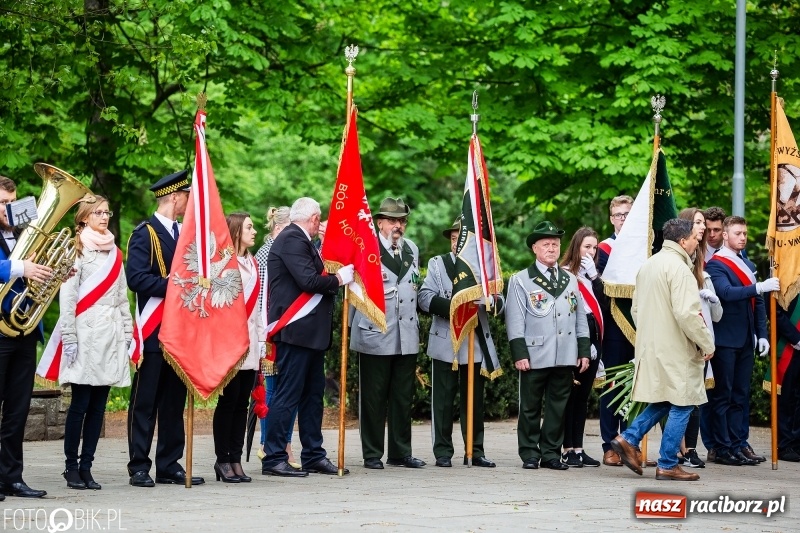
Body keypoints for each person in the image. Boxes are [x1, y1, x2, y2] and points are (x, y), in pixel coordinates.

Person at [611, 218, 716, 481]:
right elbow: (687, 314)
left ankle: (629, 438)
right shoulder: (680, 269)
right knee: (683, 404)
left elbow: (636, 309)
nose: (697, 241)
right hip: (678, 348)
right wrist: (706, 342)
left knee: (664, 400)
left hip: (652, 346)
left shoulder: (648, 265)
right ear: (683, 241)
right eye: (694, 237)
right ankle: (668, 463)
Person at [261, 197, 353, 477]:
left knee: (313, 397)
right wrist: (339, 279)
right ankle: (274, 457)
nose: (320, 224)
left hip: (309, 335)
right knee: (287, 395)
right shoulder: (292, 239)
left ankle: (313, 454)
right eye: (319, 219)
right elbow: (309, 281)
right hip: (296, 332)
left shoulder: (301, 241)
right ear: (313, 219)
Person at [126, 170, 204, 487]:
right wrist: (173, 285)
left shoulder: (184, 234)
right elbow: (137, 279)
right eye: (185, 196)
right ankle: (139, 466)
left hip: (180, 332)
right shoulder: (146, 233)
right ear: (174, 197)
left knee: (173, 401)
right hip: (154, 330)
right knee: (146, 401)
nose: (189, 201)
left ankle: (169, 463)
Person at [418, 218, 504, 468]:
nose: (457, 243)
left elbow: (500, 301)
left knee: (475, 402)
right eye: (454, 238)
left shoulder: (485, 267)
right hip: (446, 340)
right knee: (443, 401)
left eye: (461, 238)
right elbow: (424, 298)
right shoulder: (438, 264)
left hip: (474, 341)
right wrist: (456, 308)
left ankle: (475, 451)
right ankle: (442, 451)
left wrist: (487, 302)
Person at [59, 196, 132, 490]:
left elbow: (122, 297)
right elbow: (68, 298)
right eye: (97, 213)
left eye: (106, 212)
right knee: (80, 404)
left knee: (99, 406)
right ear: (84, 217)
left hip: (111, 335)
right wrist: (69, 337)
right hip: (86, 334)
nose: (104, 217)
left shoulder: (114, 251)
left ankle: (87, 466)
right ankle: (71, 466)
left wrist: (127, 333)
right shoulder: (75, 249)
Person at [506, 221, 591, 470]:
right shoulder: (521, 280)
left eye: (555, 244)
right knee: (530, 407)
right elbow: (514, 320)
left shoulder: (570, 280)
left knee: (558, 408)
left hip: (565, 353)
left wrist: (583, 350)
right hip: (534, 353)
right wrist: (519, 353)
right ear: (535, 248)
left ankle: (552, 453)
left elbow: (579, 317)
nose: (552, 248)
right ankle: (530, 453)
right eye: (546, 244)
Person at [350, 197, 425, 470]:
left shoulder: (412, 250)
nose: (398, 226)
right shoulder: (365, 249)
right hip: (374, 331)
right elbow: (352, 292)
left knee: (403, 397)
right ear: (379, 222)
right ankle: (372, 453)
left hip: (405, 333)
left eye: (402, 221)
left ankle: (400, 452)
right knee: (373, 397)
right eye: (392, 220)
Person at [705, 216, 777, 466]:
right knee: (723, 396)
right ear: (725, 235)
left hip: (746, 338)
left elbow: (757, 304)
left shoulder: (747, 263)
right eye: (738, 233)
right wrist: (759, 288)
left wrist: (762, 334)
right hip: (725, 339)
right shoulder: (716, 265)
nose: (743, 237)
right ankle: (722, 447)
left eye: (745, 233)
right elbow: (725, 293)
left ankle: (739, 443)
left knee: (741, 395)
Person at [0, 176, 55, 499]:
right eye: (3, 203)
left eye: (12, 202)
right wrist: (20, 267)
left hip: (24, 330)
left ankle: (11, 477)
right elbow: (16, 269)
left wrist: (55, 271)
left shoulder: (27, 235)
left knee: (18, 410)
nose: (9, 208)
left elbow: (39, 273)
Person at [212, 213, 263, 483]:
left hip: (251, 343)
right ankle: (223, 459)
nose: (254, 231)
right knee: (228, 402)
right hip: (230, 342)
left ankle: (236, 457)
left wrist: (263, 340)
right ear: (235, 231)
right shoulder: (224, 263)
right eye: (249, 227)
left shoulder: (252, 262)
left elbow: (259, 305)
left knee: (243, 404)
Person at [596, 195, 642, 466]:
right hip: (614, 325)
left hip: (639, 325)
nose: (623, 219)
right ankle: (609, 445)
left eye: (628, 214)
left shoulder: (643, 247)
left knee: (636, 386)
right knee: (613, 387)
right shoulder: (604, 249)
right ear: (611, 218)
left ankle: (631, 442)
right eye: (619, 215)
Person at [676, 207, 722, 469]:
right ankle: (678, 449)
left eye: (703, 223)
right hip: (683, 340)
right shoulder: (677, 265)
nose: (703, 227)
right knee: (680, 399)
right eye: (697, 222)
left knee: (696, 399)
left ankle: (691, 448)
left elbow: (717, 315)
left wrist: (711, 298)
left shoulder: (702, 271)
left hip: (703, 340)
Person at [253, 206, 299, 468]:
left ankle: (281, 442)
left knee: (283, 387)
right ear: (281, 228)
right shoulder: (267, 253)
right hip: (269, 329)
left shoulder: (277, 249)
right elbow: (261, 297)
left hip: (278, 326)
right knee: (272, 389)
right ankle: (272, 443)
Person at [559, 227, 603, 468]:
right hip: (575, 342)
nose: (591, 251)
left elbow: (604, 306)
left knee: (583, 398)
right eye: (587, 246)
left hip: (594, 340)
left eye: (594, 247)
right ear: (576, 247)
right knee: (571, 396)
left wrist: (595, 276)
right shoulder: (566, 274)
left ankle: (578, 447)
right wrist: (581, 344)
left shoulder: (591, 276)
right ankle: (566, 448)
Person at [774, 294, 800, 462]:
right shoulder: (782, 274)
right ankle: (785, 444)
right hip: (789, 346)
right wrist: (796, 338)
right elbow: (775, 312)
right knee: (787, 395)